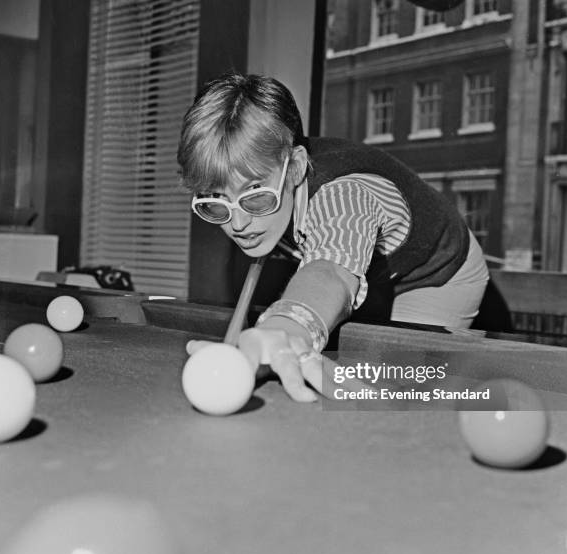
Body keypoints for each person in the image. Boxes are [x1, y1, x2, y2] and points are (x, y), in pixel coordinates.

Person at [177, 72, 489, 402]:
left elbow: (330, 271)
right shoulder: (269, 186)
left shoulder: (344, 196)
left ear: (295, 167)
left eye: (255, 195)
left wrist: (287, 327)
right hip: (377, 268)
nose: (238, 223)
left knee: (401, 386)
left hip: (436, 273)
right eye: (216, 202)